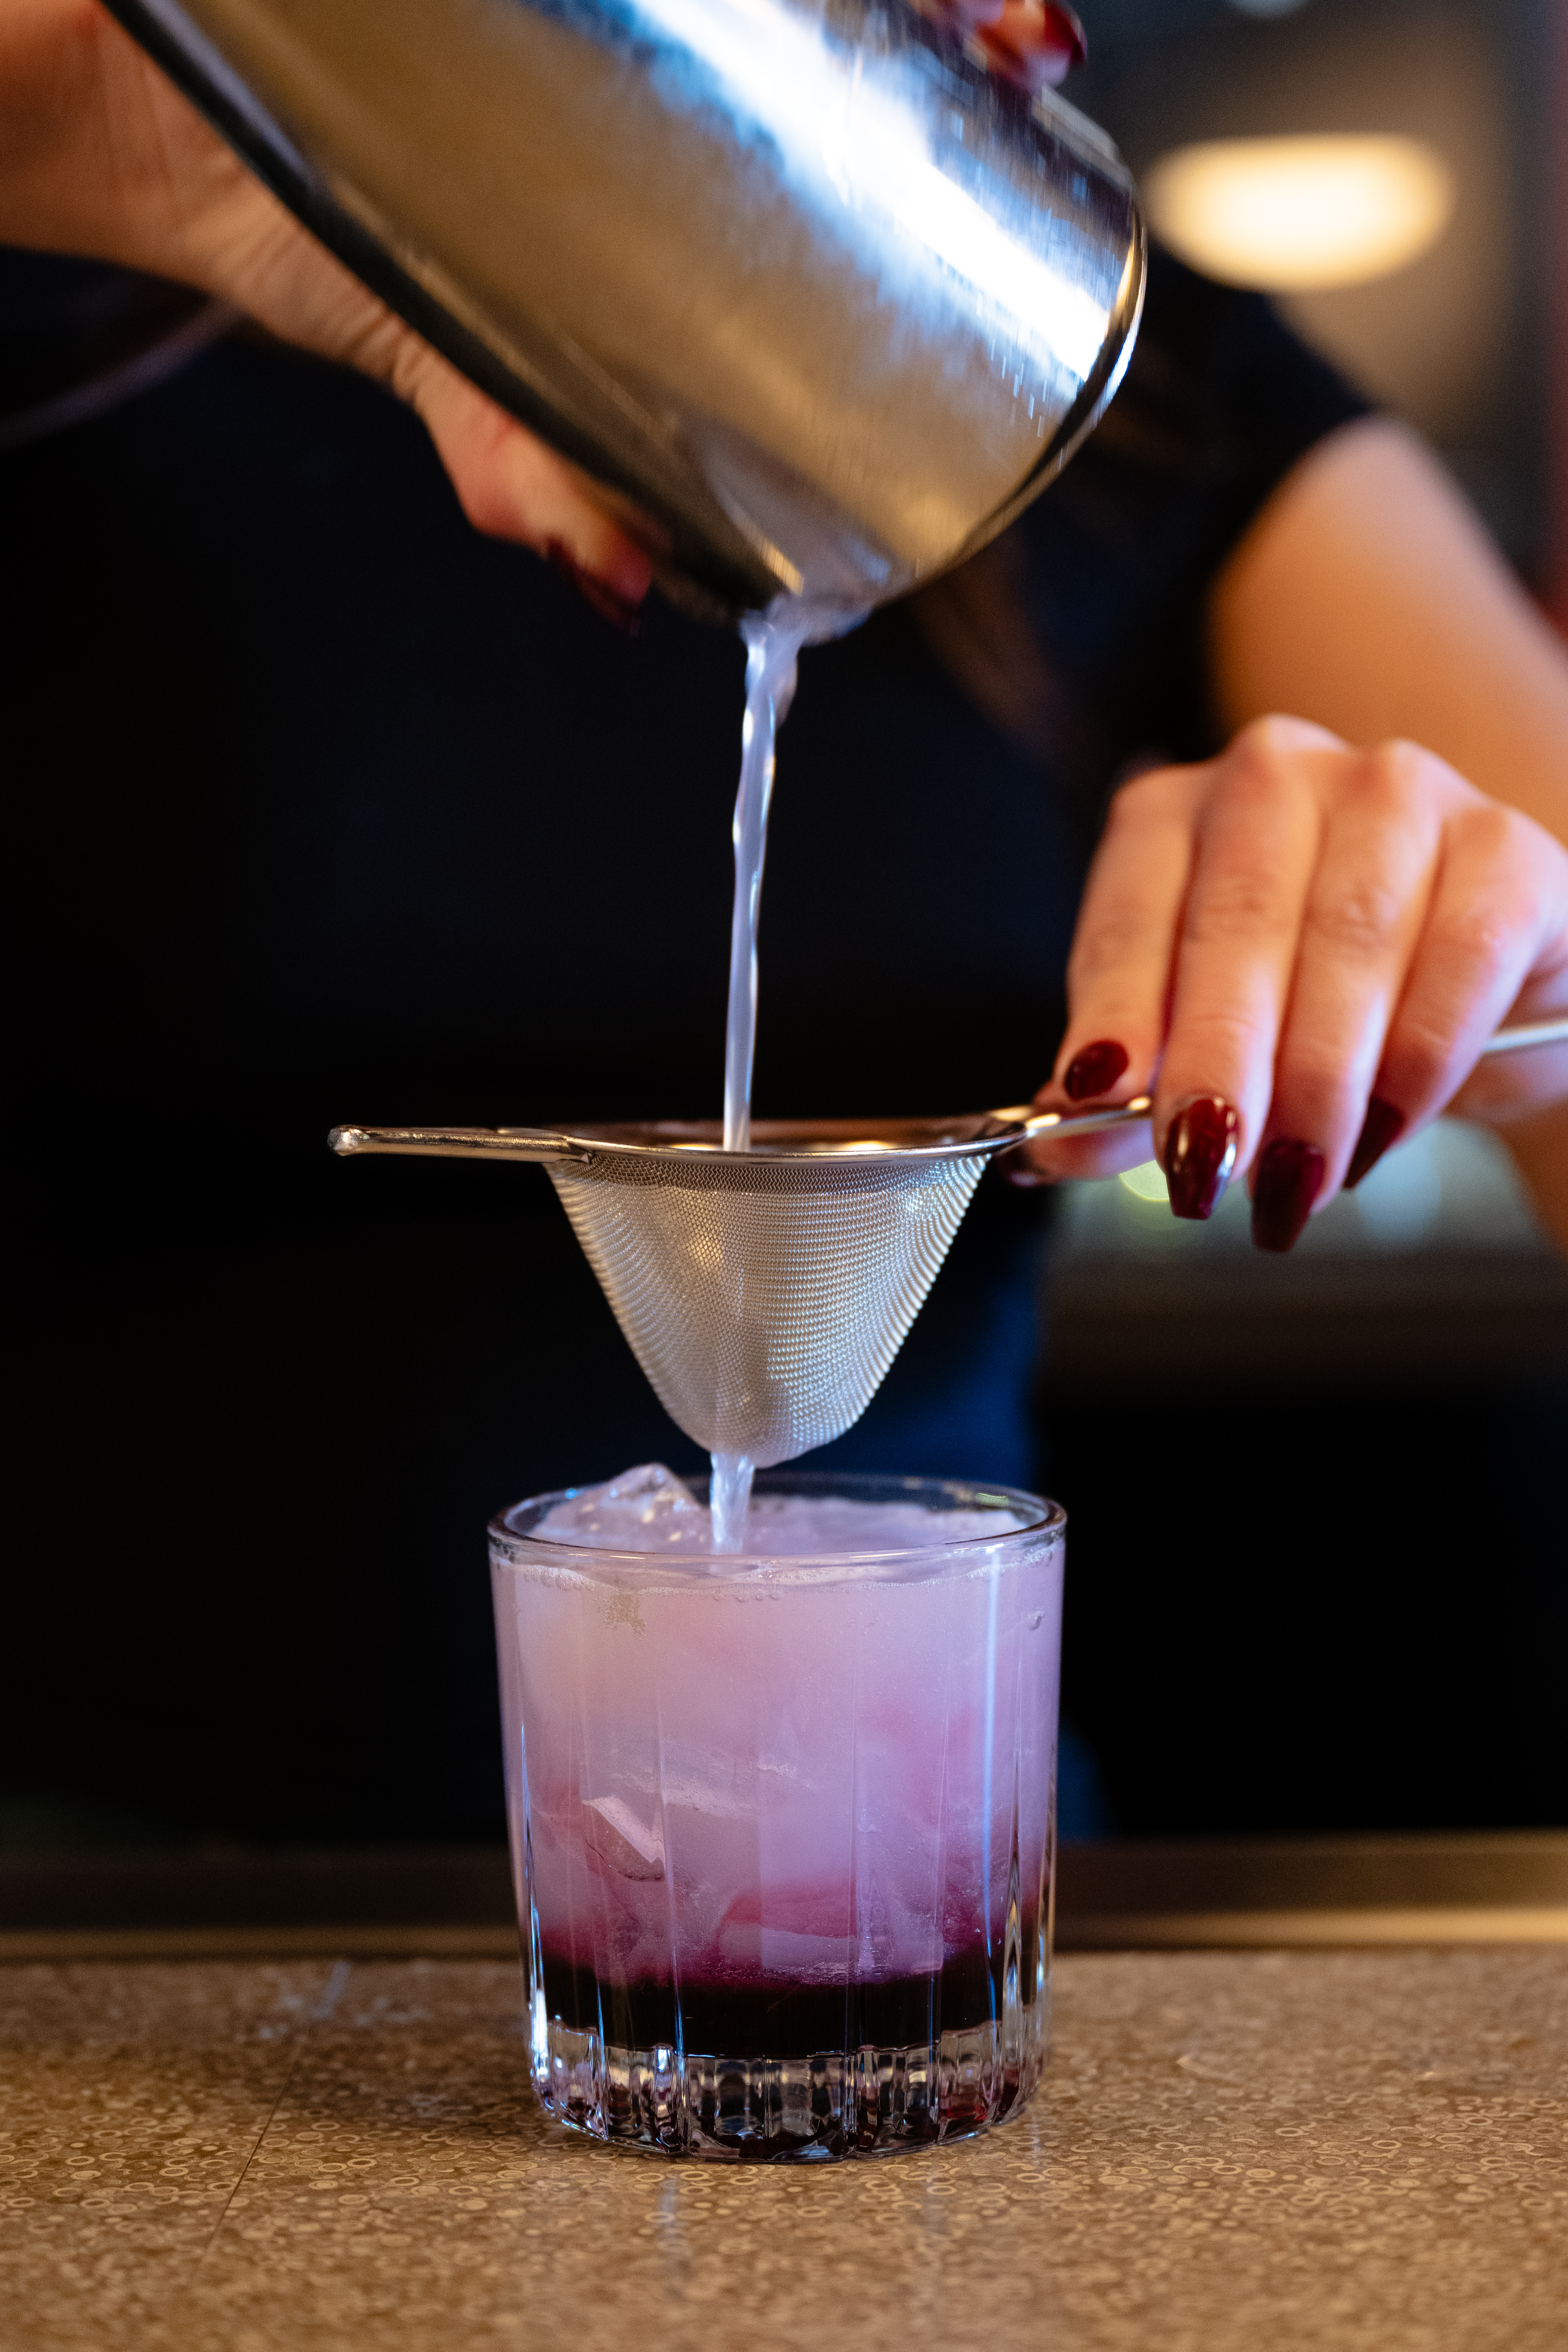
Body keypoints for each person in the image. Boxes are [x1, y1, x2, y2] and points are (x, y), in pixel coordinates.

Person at [3, 0, 1566, 1842]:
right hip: (105, 1953)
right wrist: (179, 117)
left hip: (890, 1919)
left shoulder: (1122, 389)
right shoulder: (69, 333)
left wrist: (1499, 962)